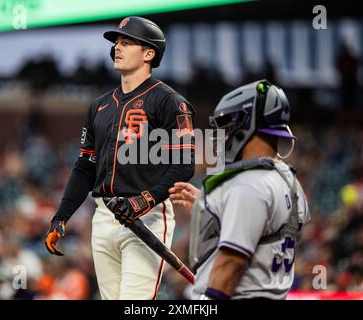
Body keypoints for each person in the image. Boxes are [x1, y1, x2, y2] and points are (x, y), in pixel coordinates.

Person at [45, 16, 195, 300]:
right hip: (104, 216)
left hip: (147, 217)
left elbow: (183, 165)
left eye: (127, 42)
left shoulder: (170, 101)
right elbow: (85, 166)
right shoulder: (99, 105)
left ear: (149, 53)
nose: (118, 47)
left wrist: (146, 199)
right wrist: (61, 216)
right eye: (117, 42)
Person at [169, 80, 310, 300]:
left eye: (228, 123)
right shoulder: (290, 182)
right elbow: (263, 236)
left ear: (247, 125)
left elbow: (231, 262)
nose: (223, 133)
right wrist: (216, 211)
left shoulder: (248, 186)